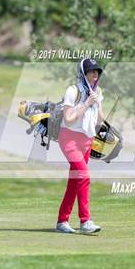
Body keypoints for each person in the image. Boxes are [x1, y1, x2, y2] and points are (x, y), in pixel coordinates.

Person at [55, 58, 105, 234]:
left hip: (86, 140)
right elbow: (68, 120)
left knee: (75, 182)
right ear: (83, 73)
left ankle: (62, 221)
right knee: (83, 175)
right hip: (69, 138)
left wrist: (97, 103)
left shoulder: (97, 91)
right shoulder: (73, 90)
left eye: (97, 71)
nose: (95, 75)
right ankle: (86, 221)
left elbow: (99, 121)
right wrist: (86, 104)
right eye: (91, 71)